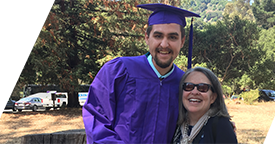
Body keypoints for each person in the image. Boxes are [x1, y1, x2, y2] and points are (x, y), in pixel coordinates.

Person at [82, 3, 200, 144]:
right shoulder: (118, 71)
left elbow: (200, 119)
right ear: (147, 38)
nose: (164, 44)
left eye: (172, 37)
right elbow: (96, 118)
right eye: (158, 36)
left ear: (182, 42)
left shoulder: (185, 84)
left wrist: (219, 124)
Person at [172, 67, 237, 144]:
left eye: (202, 88)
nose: (194, 92)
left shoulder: (221, 126)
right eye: (188, 86)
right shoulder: (175, 126)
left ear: (213, 97)